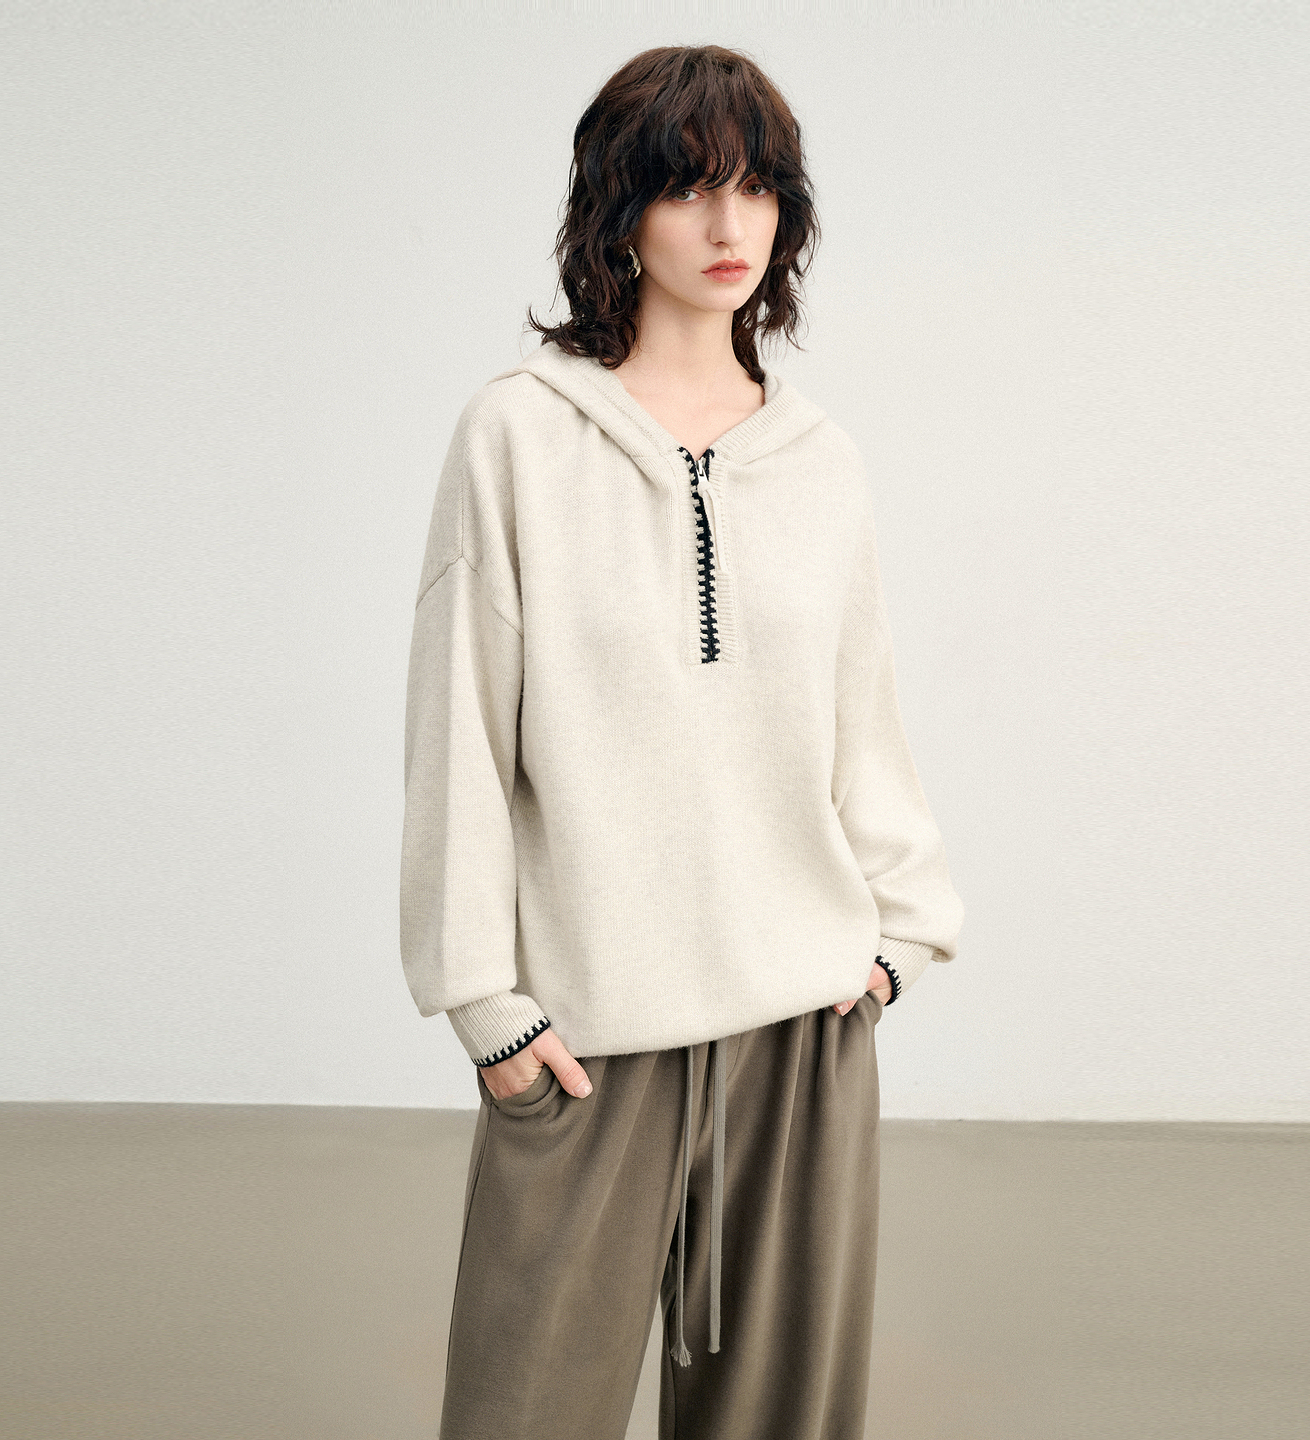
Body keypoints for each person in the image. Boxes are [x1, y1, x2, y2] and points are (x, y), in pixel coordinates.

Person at [400, 43, 965, 1440]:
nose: (728, 225)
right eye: (690, 187)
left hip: (803, 1024)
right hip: (587, 1026)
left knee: (781, 1420)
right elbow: (459, 727)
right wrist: (482, 998)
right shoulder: (519, 436)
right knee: (524, 1411)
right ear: (619, 210)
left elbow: (861, 718)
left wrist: (901, 932)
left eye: (757, 188)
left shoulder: (820, 460)